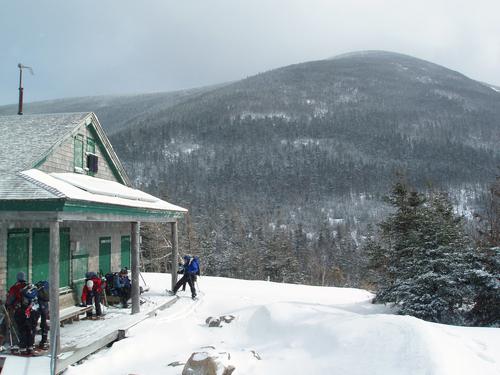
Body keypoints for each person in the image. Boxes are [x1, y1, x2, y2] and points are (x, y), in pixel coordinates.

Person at [6, 272, 39, 354]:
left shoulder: (15, 288)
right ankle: (30, 347)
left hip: (20, 311)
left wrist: (7, 305)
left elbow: (10, 300)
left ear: (17, 278)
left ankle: (23, 348)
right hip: (31, 311)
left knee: (22, 329)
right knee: (30, 329)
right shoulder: (30, 286)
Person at [35, 280, 49, 349]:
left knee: (33, 324)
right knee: (44, 324)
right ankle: (44, 341)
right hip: (45, 307)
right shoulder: (46, 289)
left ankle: (31, 343)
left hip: (38, 307)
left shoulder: (37, 289)